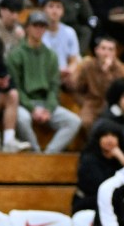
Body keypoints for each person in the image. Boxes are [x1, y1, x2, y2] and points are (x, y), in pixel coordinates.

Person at [8, 11, 82, 154]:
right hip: (24, 102)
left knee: (74, 121)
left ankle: (48, 154)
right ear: (27, 28)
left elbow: (54, 86)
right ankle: (36, 152)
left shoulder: (51, 55)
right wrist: (32, 108)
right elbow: (15, 87)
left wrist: (48, 108)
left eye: (42, 26)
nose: (39, 29)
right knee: (21, 118)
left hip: (45, 102)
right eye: (35, 25)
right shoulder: (15, 55)